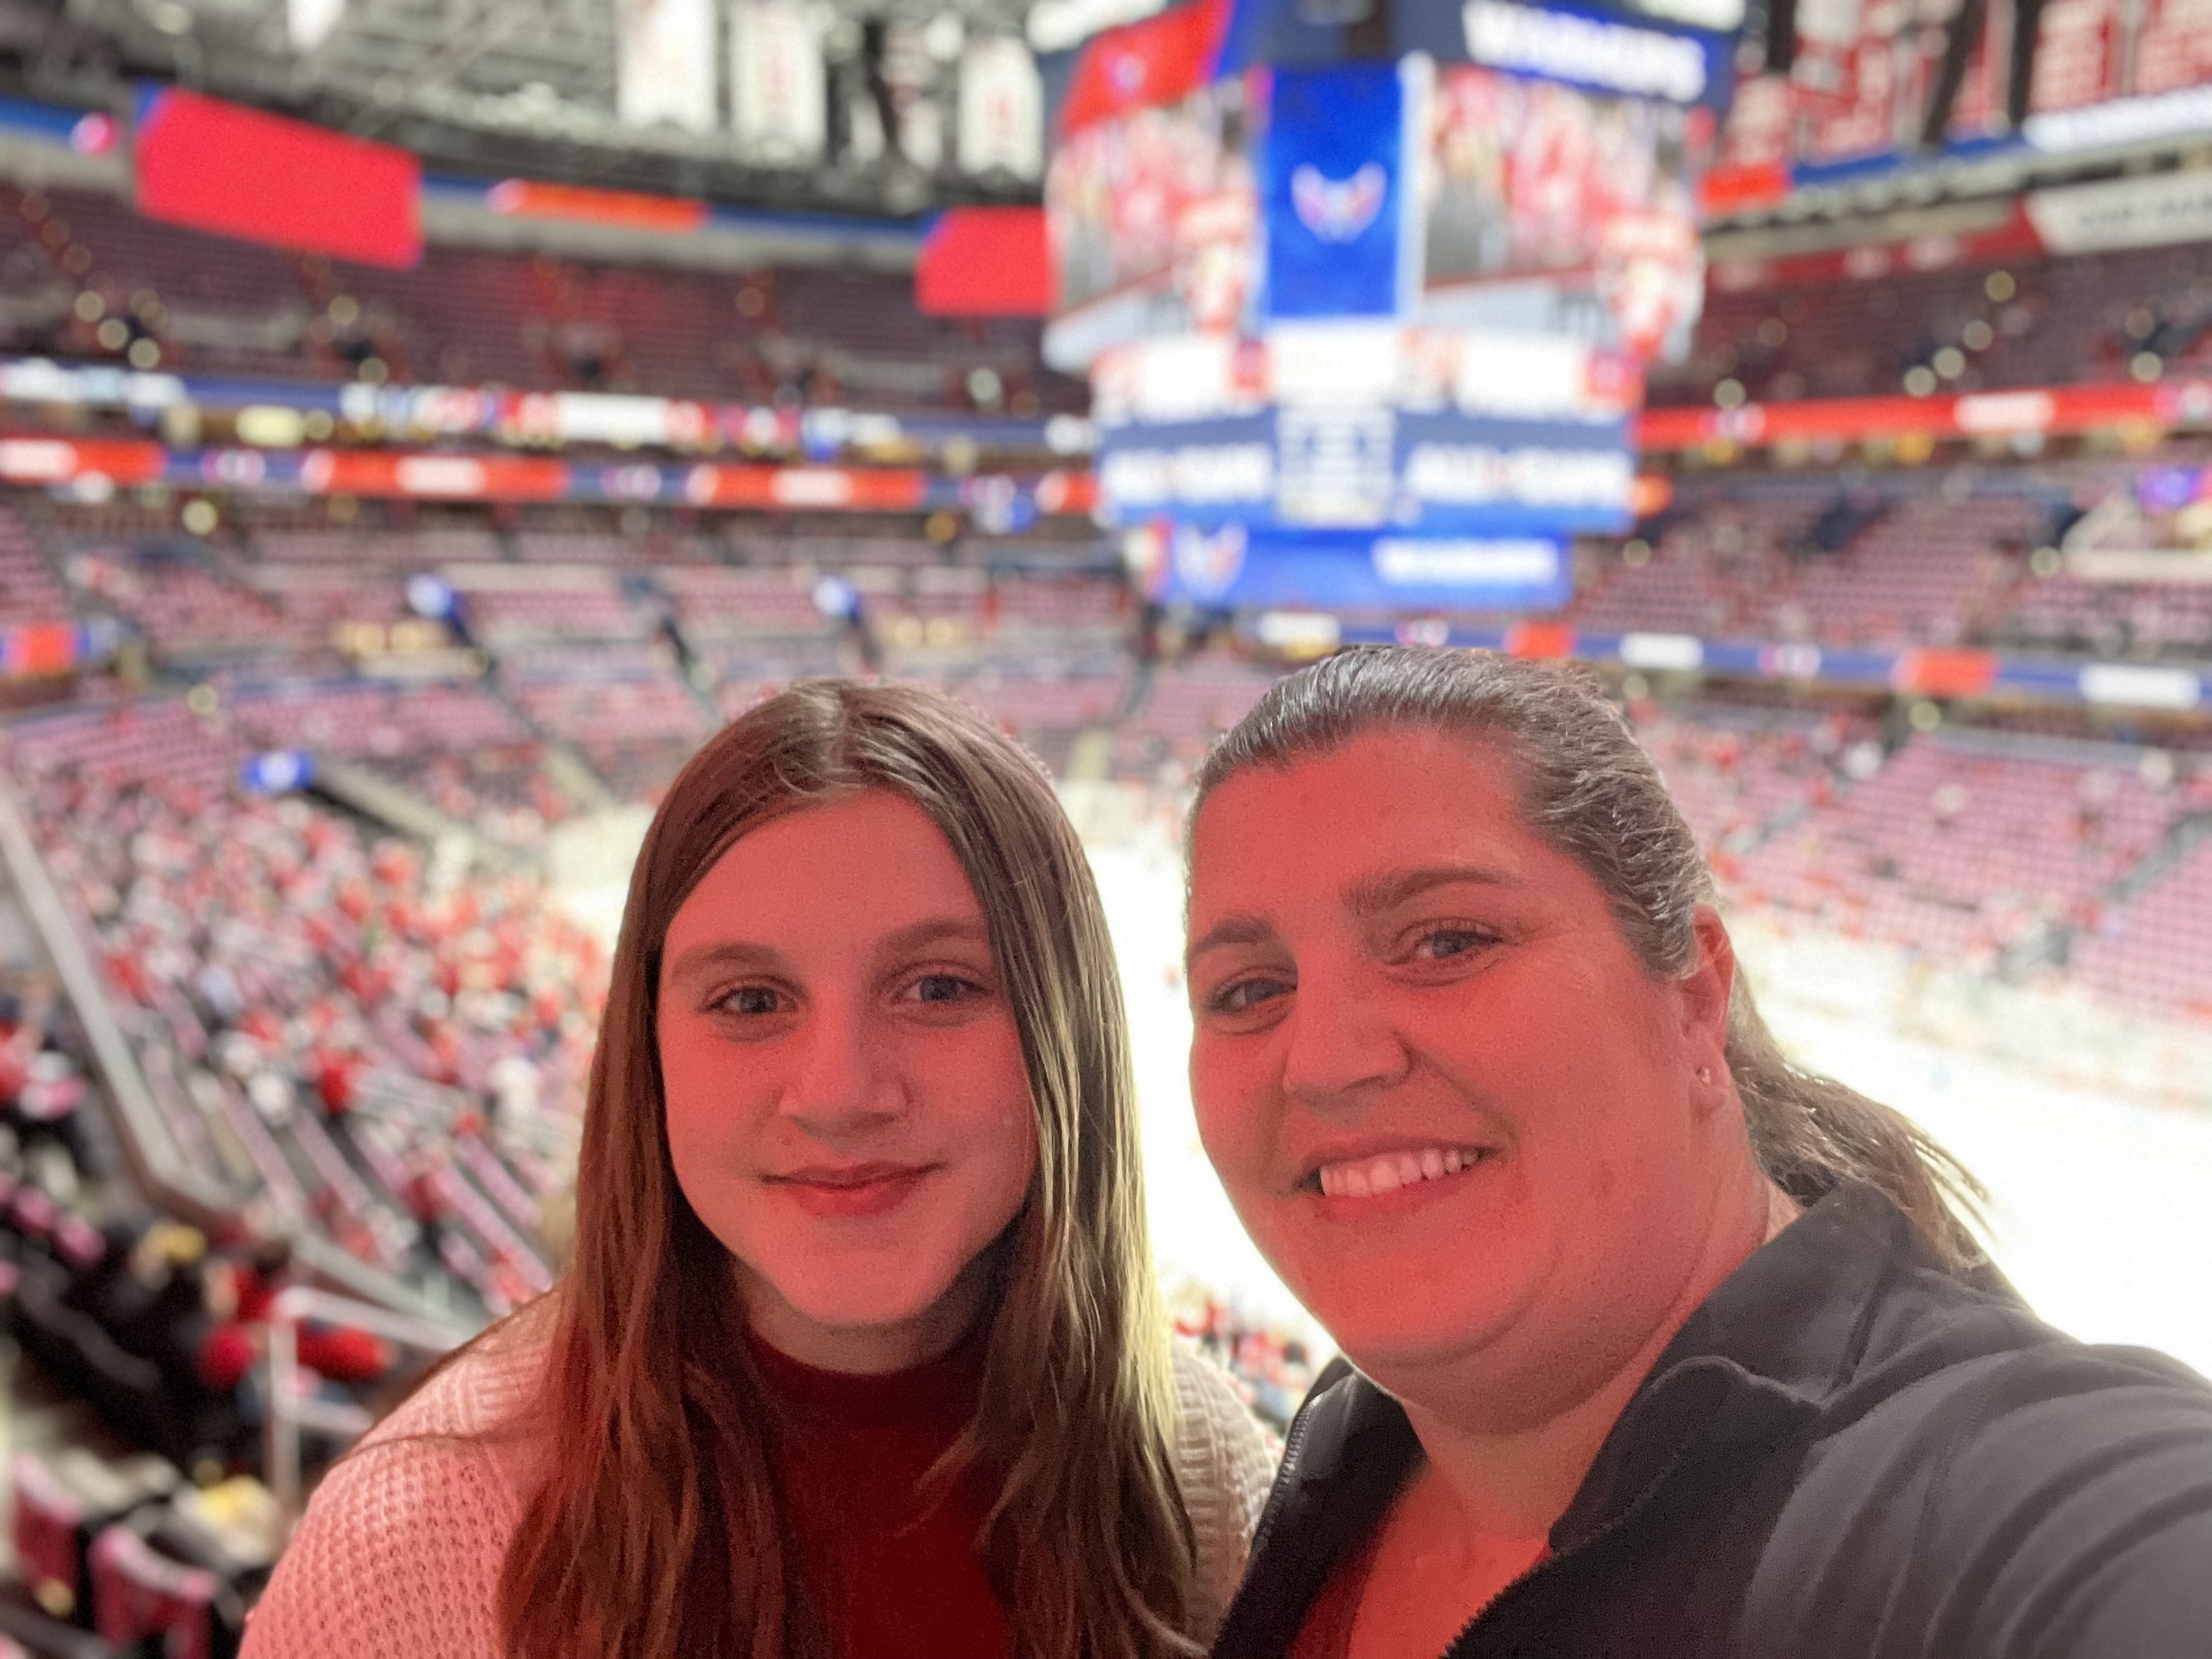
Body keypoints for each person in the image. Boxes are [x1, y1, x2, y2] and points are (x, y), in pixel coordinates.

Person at [1181, 645, 2212, 1659]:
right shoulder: (1349, 1448)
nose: (1324, 1063)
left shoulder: (1988, 1499)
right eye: (1249, 990)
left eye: (1448, 941)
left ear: (1694, 998)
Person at [244, 681, 1275, 1659]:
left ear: (1068, 1026)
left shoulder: (1205, 1478)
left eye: (937, 987)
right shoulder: (398, 1563)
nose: (838, 1093)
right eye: (750, 1001)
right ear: (649, 1052)